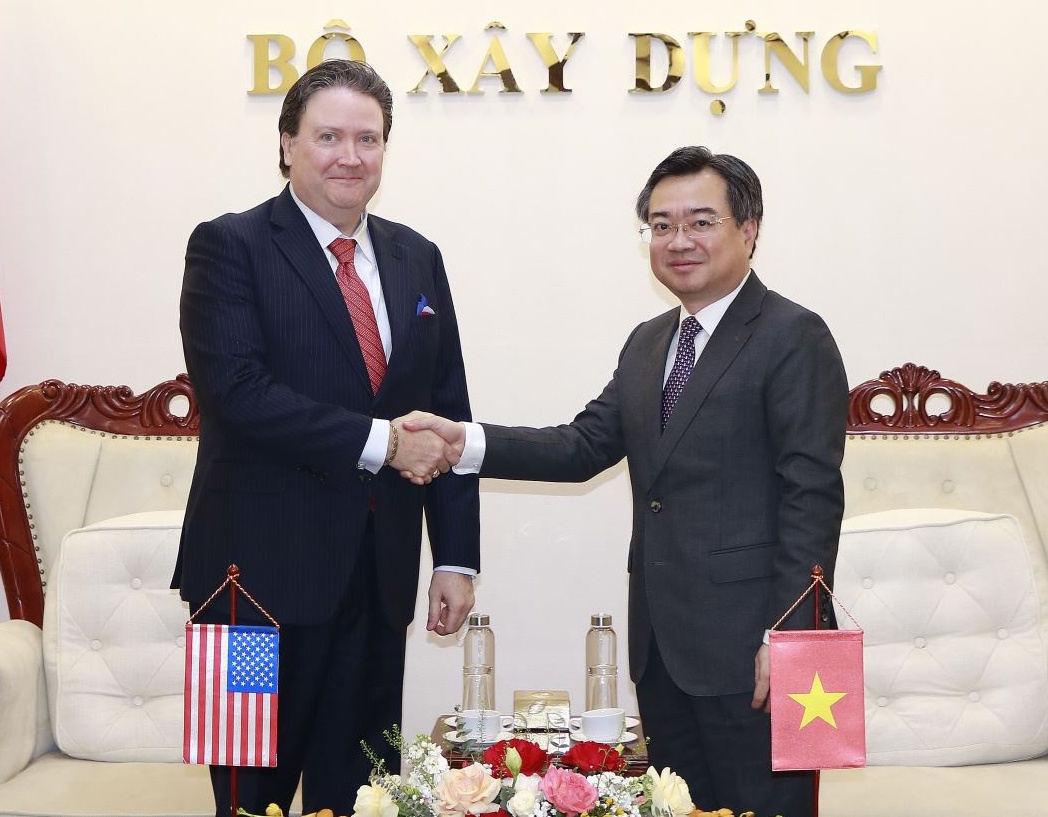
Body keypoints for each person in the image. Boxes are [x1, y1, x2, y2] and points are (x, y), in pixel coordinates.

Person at [406, 146, 848, 817]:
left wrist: (788, 639)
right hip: (662, 654)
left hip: (754, 656)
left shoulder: (794, 336)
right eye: (661, 225)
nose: (679, 240)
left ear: (749, 229)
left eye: (700, 222)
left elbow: (810, 498)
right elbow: (581, 445)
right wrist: (463, 442)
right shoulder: (649, 343)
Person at [172, 59, 480, 817]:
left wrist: (455, 556)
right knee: (249, 795)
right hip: (250, 588)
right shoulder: (228, 245)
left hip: (376, 582)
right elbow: (239, 395)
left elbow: (447, 412)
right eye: (329, 136)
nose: (351, 156)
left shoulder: (417, 256)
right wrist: (383, 443)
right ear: (287, 145)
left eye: (368, 139)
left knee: (364, 794)